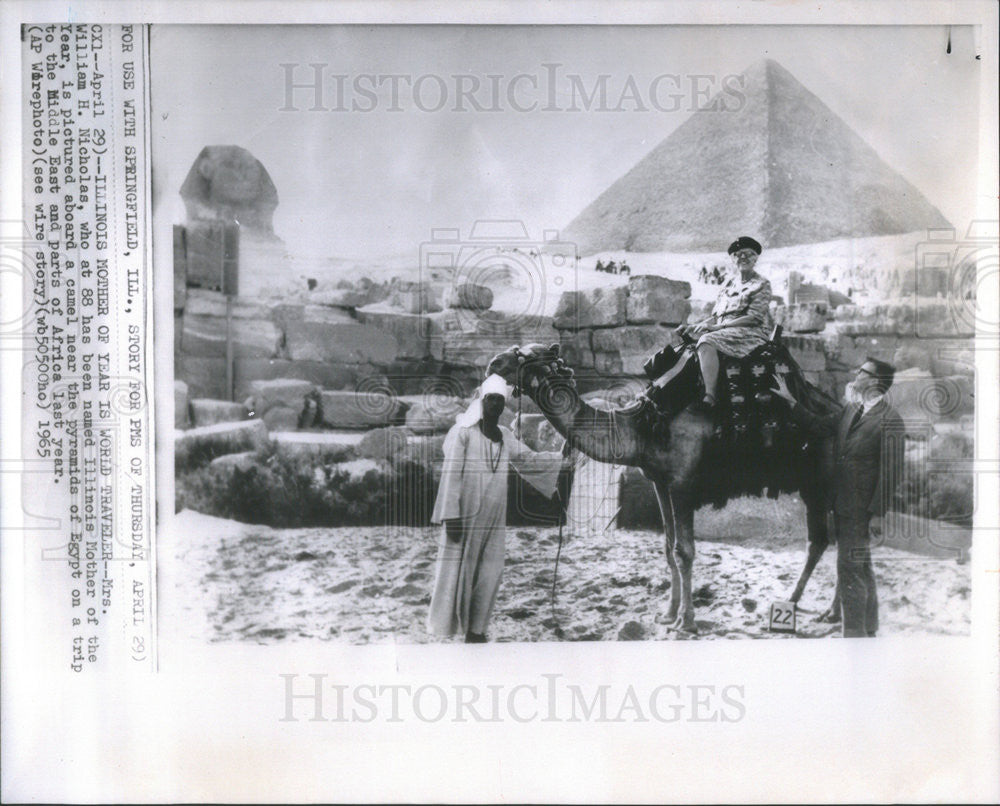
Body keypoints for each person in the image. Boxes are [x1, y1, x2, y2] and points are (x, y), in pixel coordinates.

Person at [427, 373, 572, 643]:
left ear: (504, 404)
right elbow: (451, 474)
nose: (495, 404)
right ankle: (451, 627)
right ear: (481, 402)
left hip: (494, 516)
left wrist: (561, 455)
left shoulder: (504, 435)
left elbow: (528, 460)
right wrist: (451, 515)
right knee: (459, 570)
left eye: (499, 400)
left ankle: (477, 630)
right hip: (464, 513)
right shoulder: (464, 434)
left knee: (490, 570)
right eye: (490, 399)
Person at [771, 359, 905, 637]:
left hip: (862, 508)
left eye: (861, 371)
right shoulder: (851, 410)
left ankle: (853, 637)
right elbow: (818, 425)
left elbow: (891, 473)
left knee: (849, 570)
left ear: (874, 381)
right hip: (841, 503)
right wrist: (789, 400)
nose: (856, 375)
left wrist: (878, 514)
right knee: (861, 564)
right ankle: (870, 627)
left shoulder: (891, 420)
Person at [679, 236, 773, 411]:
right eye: (738, 255)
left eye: (747, 254)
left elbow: (754, 318)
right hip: (725, 330)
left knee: (707, 341)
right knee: (687, 344)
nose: (742, 258)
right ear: (733, 259)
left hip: (751, 333)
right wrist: (695, 326)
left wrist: (718, 328)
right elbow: (716, 315)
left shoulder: (762, 284)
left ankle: (710, 397)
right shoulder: (728, 284)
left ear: (755, 258)